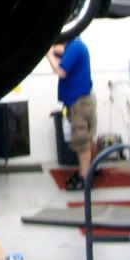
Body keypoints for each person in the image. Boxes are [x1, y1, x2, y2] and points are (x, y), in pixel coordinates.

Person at [47, 36, 96, 190]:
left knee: (81, 140)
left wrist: (48, 53)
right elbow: (60, 54)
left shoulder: (75, 47)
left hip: (79, 102)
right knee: (80, 139)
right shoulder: (73, 46)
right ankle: (84, 172)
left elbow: (61, 71)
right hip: (76, 101)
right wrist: (52, 52)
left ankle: (85, 177)